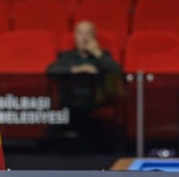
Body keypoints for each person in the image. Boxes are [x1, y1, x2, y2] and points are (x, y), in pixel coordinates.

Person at [46, 20, 122, 149]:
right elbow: (50, 70)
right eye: (80, 33)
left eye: (88, 34)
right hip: (70, 102)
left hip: (95, 102)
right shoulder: (67, 56)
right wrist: (78, 69)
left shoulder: (103, 56)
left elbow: (117, 71)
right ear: (75, 37)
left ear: (94, 37)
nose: (84, 38)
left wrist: (97, 53)